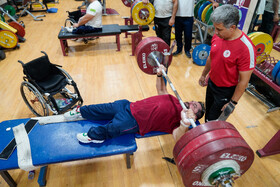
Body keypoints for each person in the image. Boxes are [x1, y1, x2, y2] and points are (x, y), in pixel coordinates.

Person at [64, 65, 205, 144]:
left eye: (195, 106)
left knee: (113, 128)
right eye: (194, 101)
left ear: (195, 116)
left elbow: (177, 136)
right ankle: (81, 112)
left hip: (135, 121)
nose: (192, 102)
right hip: (128, 105)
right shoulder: (176, 100)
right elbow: (161, 89)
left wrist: (185, 123)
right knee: (100, 108)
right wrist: (159, 74)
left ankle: (94, 136)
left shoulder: (181, 121)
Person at [198, 4, 256, 122]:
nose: (216, 32)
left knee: (214, 122)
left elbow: (244, 81)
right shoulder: (218, 36)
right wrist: (204, 74)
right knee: (207, 116)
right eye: (215, 28)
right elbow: (211, 57)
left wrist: (233, 103)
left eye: (219, 29)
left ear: (232, 27)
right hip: (211, 83)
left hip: (225, 91)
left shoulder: (246, 48)